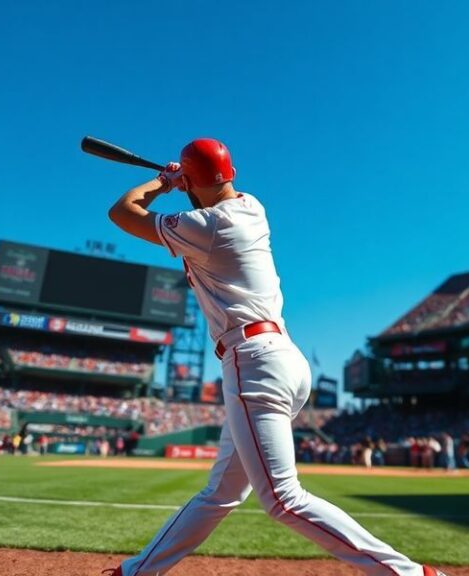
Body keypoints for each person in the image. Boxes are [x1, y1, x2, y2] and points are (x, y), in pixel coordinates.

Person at [104, 138, 447, 576]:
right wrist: (187, 180)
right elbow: (205, 195)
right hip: (281, 357)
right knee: (220, 493)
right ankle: (137, 571)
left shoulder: (205, 225)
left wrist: (162, 182)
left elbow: (122, 212)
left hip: (253, 362)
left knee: (283, 499)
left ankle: (410, 574)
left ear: (196, 182)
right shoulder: (250, 205)